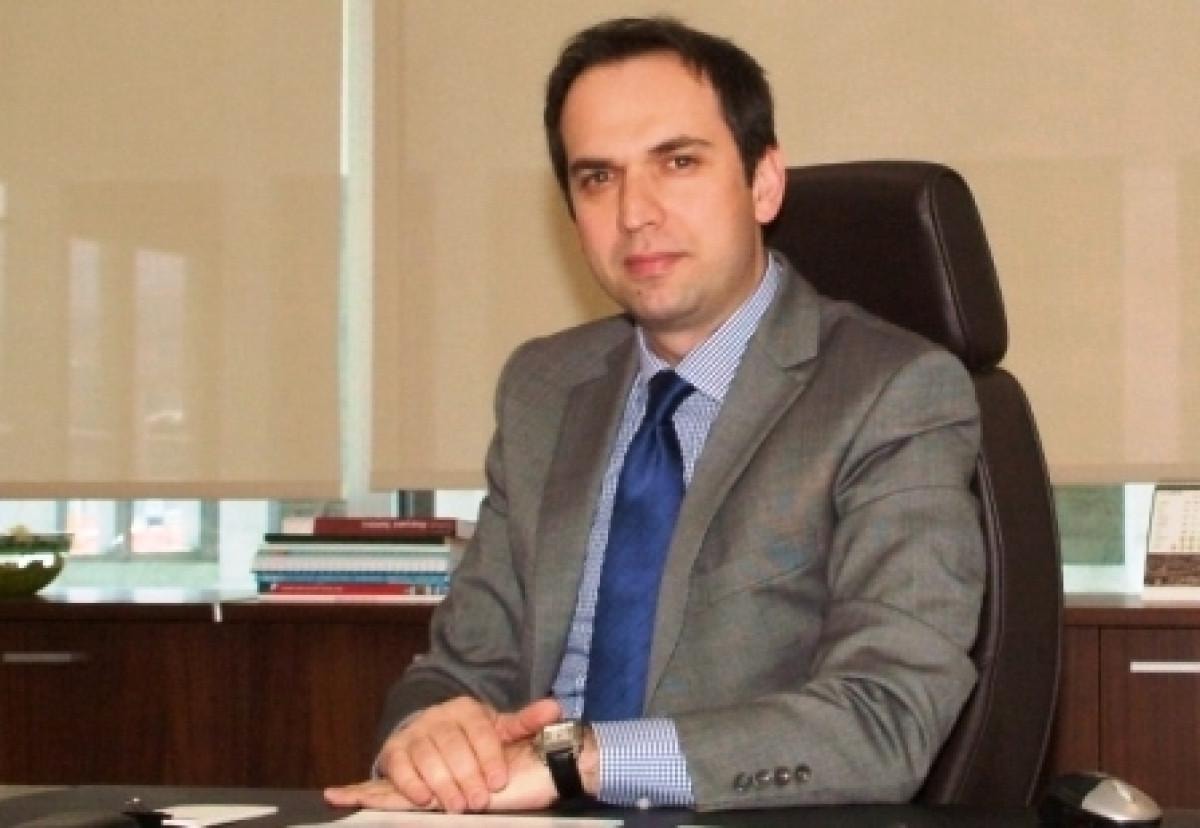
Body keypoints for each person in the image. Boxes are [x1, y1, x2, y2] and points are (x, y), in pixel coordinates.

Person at [325, 16, 984, 814]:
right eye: (598, 177)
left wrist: (577, 760)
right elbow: (461, 667)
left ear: (764, 182)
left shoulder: (891, 391)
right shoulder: (543, 389)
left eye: (678, 162)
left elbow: (887, 718)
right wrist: (429, 730)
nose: (635, 211)